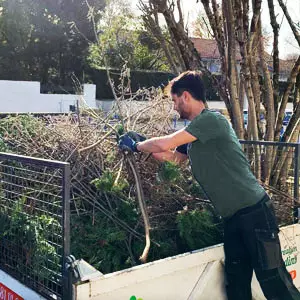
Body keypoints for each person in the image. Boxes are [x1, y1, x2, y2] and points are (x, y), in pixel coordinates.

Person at [118, 71, 300, 300]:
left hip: (255, 212)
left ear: (185, 96)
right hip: (233, 218)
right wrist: (142, 143)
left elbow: (167, 142)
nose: (174, 107)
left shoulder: (211, 121)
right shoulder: (195, 135)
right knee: (236, 283)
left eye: (175, 101)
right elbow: (174, 156)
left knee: (274, 281)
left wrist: (137, 146)